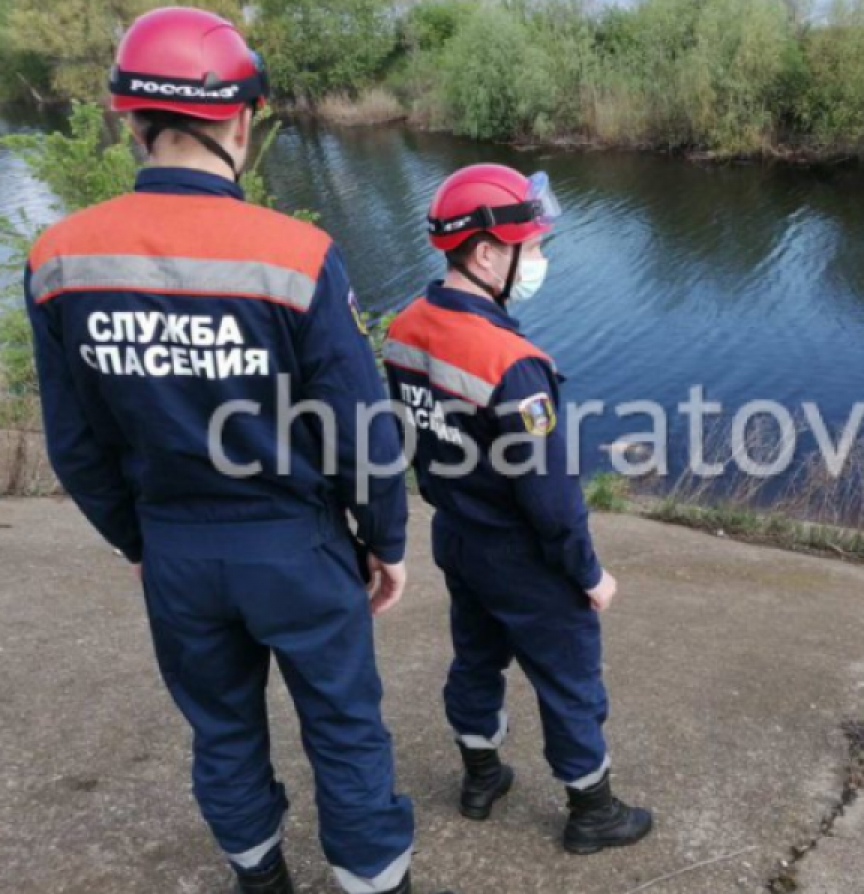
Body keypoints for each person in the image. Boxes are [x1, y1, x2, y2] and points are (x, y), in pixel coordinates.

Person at [23, 8, 449, 894]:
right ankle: (375, 882)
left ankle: (259, 878)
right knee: (344, 727)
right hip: (295, 546)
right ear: (243, 121)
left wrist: (140, 538)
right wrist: (385, 539)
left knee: (221, 730)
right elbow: (359, 426)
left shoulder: (58, 258)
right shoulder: (297, 255)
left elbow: (75, 443)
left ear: (131, 122)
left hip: (176, 548)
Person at [383, 164, 653, 855]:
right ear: (485, 254)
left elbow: (411, 438)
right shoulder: (512, 363)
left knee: (476, 660)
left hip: (458, 538)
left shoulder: (403, 329)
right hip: (523, 555)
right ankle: (592, 812)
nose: (539, 259)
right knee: (569, 681)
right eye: (530, 247)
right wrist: (588, 574)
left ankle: (481, 778)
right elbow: (551, 498)